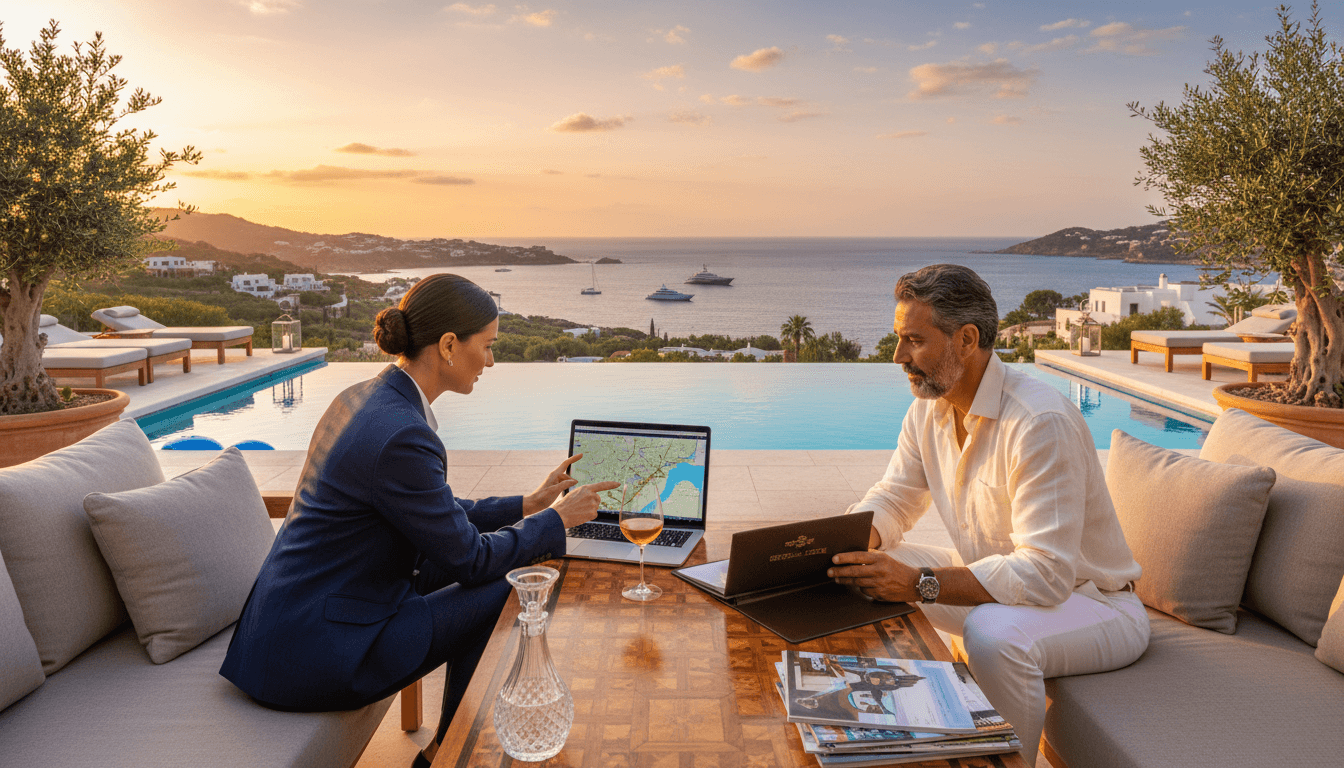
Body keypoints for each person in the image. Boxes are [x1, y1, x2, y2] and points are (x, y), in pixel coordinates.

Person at [219, 274, 618, 768]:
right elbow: (470, 559)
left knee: (498, 563)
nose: (491, 361)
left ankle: (444, 744)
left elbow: (441, 518)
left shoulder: (365, 398)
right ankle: (451, 753)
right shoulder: (401, 434)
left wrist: (530, 504)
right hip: (316, 654)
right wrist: (557, 521)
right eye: (488, 346)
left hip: (294, 621)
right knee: (502, 585)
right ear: (449, 345)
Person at [826, 264, 1150, 766]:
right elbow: (893, 497)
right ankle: (892, 727)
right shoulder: (927, 410)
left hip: (1092, 605)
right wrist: (844, 543)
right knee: (862, 572)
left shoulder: (1039, 422)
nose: (898, 356)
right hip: (998, 588)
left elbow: (1045, 575)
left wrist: (919, 583)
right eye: (898, 339)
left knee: (993, 634)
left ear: (966, 339)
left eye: (914, 340)